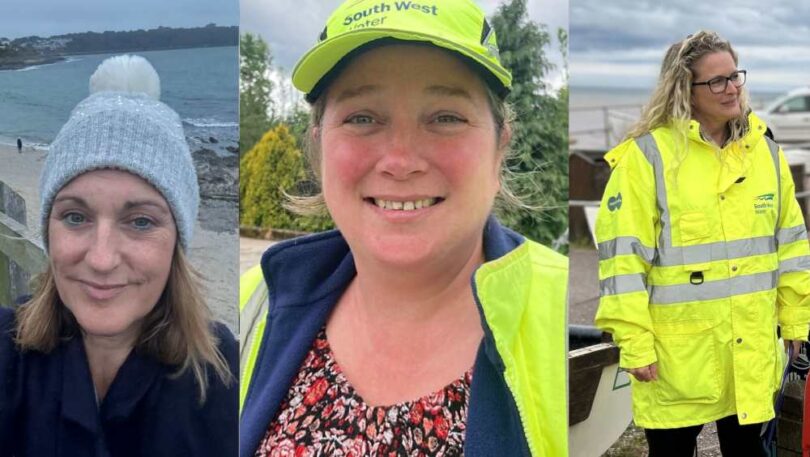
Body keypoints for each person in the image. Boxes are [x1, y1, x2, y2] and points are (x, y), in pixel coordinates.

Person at [238, 0, 568, 456]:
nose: (400, 161)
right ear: (319, 149)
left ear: (499, 148)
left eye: (445, 117)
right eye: (362, 118)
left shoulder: (564, 314)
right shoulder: (253, 305)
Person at [0, 55, 238, 456]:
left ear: (178, 241)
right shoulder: (8, 356)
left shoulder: (230, 379)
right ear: (48, 231)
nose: (102, 259)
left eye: (141, 222)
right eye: (75, 217)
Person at [595, 31, 810, 457]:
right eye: (716, 81)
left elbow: (792, 245)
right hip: (678, 356)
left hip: (750, 350)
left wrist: (797, 320)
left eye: (735, 77)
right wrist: (634, 341)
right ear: (684, 89)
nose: (731, 88)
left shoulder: (764, 153)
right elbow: (622, 261)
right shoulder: (647, 158)